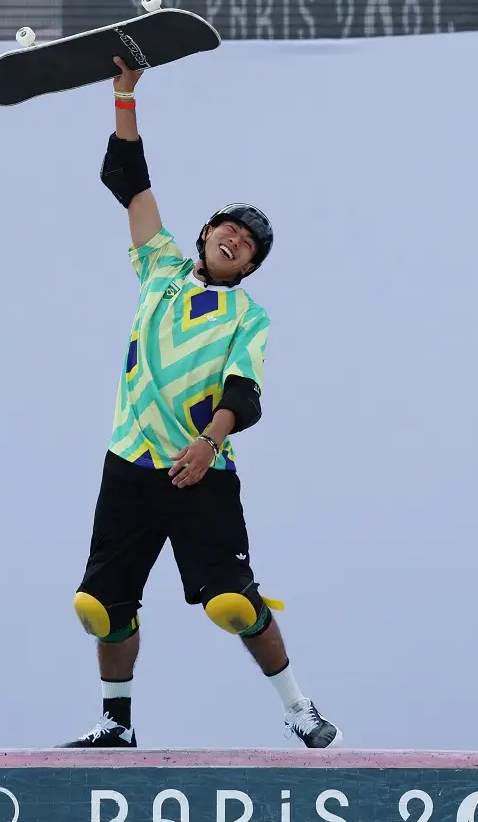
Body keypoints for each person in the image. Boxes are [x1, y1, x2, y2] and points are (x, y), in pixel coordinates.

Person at [59, 57, 341, 750]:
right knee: (99, 607)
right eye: (230, 228)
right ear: (207, 234)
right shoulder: (157, 267)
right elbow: (130, 184)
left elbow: (244, 394)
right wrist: (124, 93)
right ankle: (115, 724)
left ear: (246, 268)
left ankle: (298, 707)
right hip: (130, 461)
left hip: (200, 473)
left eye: (248, 245)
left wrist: (208, 442)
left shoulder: (250, 317)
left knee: (230, 603)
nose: (236, 239)